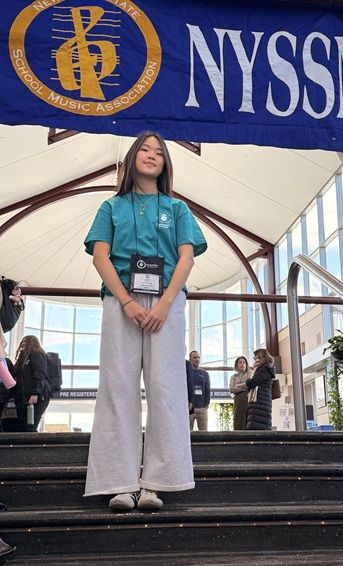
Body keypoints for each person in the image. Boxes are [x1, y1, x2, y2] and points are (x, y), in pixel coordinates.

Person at [83, 131, 207, 511]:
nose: (152, 155)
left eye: (159, 152)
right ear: (132, 158)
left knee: (166, 388)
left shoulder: (178, 208)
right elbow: (100, 257)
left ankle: (157, 482)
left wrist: (165, 303)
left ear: (165, 163)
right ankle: (118, 483)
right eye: (145, 150)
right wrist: (126, 301)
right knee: (117, 387)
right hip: (120, 299)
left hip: (167, 301)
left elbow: (186, 258)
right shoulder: (110, 207)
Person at [13, 336, 51, 432]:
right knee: (24, 425)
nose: (22, 345)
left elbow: (39, 374)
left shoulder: (37, 355)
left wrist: (35, 393)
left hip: (36, 396)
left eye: (25, 342)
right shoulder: (23, 359)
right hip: (24, 397)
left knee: (30, 425)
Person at [244, 348, 274, 430]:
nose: (255, 360)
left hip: (260, 401)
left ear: (262, 357)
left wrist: (248, 380)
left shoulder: (264, 369)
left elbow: (252, 383)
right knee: (257, 424)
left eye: (257, 357)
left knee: (258, 426)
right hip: (260, 401)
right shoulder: (263, 368)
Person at [189, 351, 210, 431]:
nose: (197, 359)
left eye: (198, 357)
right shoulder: (186, 373)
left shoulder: (205, 374)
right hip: (190, 408)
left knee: (204, 432)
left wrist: (206, 404)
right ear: (190, 359)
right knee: (188, 432)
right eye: (194, 357)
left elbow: (207, 389)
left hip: (202, 408)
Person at [228, 356, 251, 430]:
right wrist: (243, 389)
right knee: (238, 421)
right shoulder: (233, 377)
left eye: (244, 362)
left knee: (248, 421)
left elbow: (250, 385)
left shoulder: (250, 374)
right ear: (236, 365)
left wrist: (237, 386)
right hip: (238, 401)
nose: (242, 364)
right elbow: (231, 389)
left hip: (249, 400)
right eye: (240, 362)